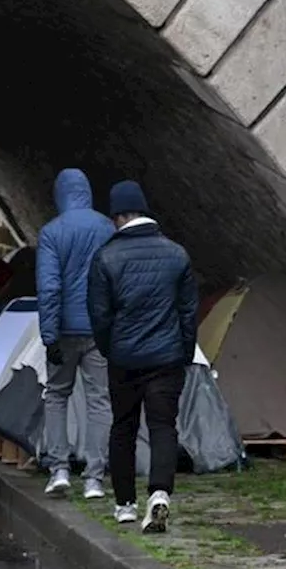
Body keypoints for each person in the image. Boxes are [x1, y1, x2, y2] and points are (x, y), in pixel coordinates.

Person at [87, 180, 197, 533]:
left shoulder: (105, 258)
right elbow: (188, 312)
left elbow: (100, 316)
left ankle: (124, 504)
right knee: (163, 426)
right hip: (167, 358)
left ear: (117, 217)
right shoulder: (177, 254)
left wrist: (110, 349)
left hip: (125, 359)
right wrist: (184, 351)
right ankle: (160, 492)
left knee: (124, 428)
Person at [36, 168, 116, 499]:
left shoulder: (52, 232)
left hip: (65, 331)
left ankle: (59, 470)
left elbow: (50, 286)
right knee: (100, 400)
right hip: (100, 330)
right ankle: (95, 477)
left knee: (56, 395)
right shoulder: (107, 228)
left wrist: (49, 335)